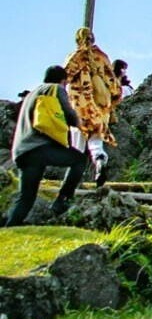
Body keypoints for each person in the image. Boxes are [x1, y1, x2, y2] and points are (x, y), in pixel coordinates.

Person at [4, 66, 88, 225]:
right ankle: (62, 200)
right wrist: (84, 125)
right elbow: (68, 113)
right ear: (63, 80)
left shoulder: (32, 94)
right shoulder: (56, 88)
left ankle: (9, 228)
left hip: (22, 151)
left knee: (26, 197)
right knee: (79, 160)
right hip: (38, 148)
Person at [63, 27, 122, 185]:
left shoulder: (75, 57)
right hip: (100, 106)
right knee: (96, 141)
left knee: (78, 144)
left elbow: (65, 77)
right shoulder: (102, 57)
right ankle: (99, 160)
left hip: (80, 105)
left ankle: (73, 181)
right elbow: (113, 82)